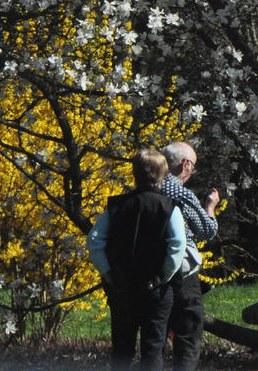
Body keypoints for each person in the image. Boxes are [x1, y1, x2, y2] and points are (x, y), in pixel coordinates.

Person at [87, 149, 187, 370]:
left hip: (123, 287)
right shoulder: (168, 207)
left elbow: (94, 240)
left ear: (134, 173)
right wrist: (164, 275)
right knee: (153, 347)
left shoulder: (117, 206)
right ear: (164, 174)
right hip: (157, 290)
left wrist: (108, 273)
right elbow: (178, 244)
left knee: (122, 348)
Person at [157, 141, 220, 371]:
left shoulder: (148, 189)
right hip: (182, 272)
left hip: (152, 272)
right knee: (189, 330)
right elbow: (206, 231)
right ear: (185, 164)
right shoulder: (178, 191)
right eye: (192, 166)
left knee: (157, 332)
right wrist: (210, 207)